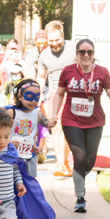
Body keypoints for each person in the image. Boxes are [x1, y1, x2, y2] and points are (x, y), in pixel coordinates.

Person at [47, 39, 110, 213]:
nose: (86, 55)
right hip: (71, 119)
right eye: (82, 52)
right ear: (77, 54)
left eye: (89, 52)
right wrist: (53, 115)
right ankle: (80, 197)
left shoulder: (102, 72)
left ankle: (79, 176)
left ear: (94, 54)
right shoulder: (68, 71)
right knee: (79, 156)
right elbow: (59, 94)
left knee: (89, 161)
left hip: (94, 121)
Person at [37, 22, 73, 177]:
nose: (54, 43)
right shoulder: (44, 55)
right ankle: (59, 163)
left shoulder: (73, 49)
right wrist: (39, 95)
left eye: (57, 40)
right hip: (53, 94)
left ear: (63, 36)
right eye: (50, 41)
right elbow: (41, 77)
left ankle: (64, 161)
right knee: (56, 128)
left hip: (72, 94)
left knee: (69, 131)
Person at [7, 79, 49, 177]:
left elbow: (34, 133)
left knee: (30, 182)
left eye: (37, 98)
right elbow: (0, 133)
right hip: (12, 154)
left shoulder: (37, 114)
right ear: (19, 96)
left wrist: (34, 146)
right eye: (29, 97)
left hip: (30, 156)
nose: (33, 101)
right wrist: (7, 143)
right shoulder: (11, 112)